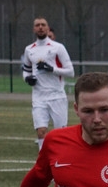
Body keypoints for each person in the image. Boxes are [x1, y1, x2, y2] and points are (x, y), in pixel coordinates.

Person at [21, 17, 74, 150]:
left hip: (57, 96)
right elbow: (26, 70)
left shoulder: (58, 47)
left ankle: (61, 158)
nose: (40, 27)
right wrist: (27, 79)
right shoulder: (29, 49)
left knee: (60, 133)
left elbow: (71, 72)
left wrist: (52, 69)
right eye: (37, 25)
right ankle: (43, 159)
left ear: (48, 28)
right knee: (41, 131)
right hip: (38, 97)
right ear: (34, 29)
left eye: (43, 25)